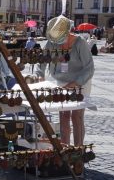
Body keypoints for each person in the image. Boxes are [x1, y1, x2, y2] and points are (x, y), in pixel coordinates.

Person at [37, 15, 95, 148]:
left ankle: (78, 150)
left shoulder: (80, 42)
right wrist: (39, 76)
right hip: (62, 82)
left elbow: (89, 68)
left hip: (81, 82)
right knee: (63, 115)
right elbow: (42, 61)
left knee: (77, 116)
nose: (59, 43)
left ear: (68, 32)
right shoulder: (52, 41)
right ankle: (65, 149)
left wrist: (75, 83)